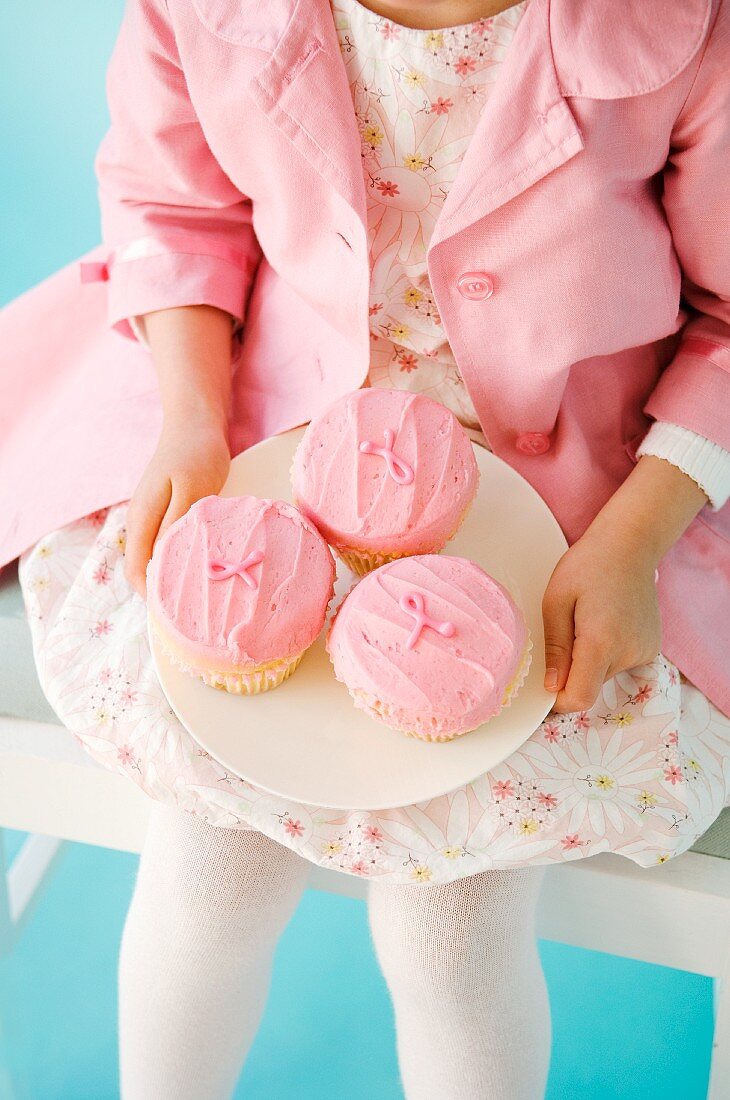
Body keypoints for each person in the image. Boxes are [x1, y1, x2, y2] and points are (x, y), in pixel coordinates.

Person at [3, 0, 729, 1096]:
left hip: (574, 502)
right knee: (207, 872)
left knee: (452, 933)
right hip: (273, 445)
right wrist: (193, 417)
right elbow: (173, 204)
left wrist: (634, 531)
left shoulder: (685, 31)